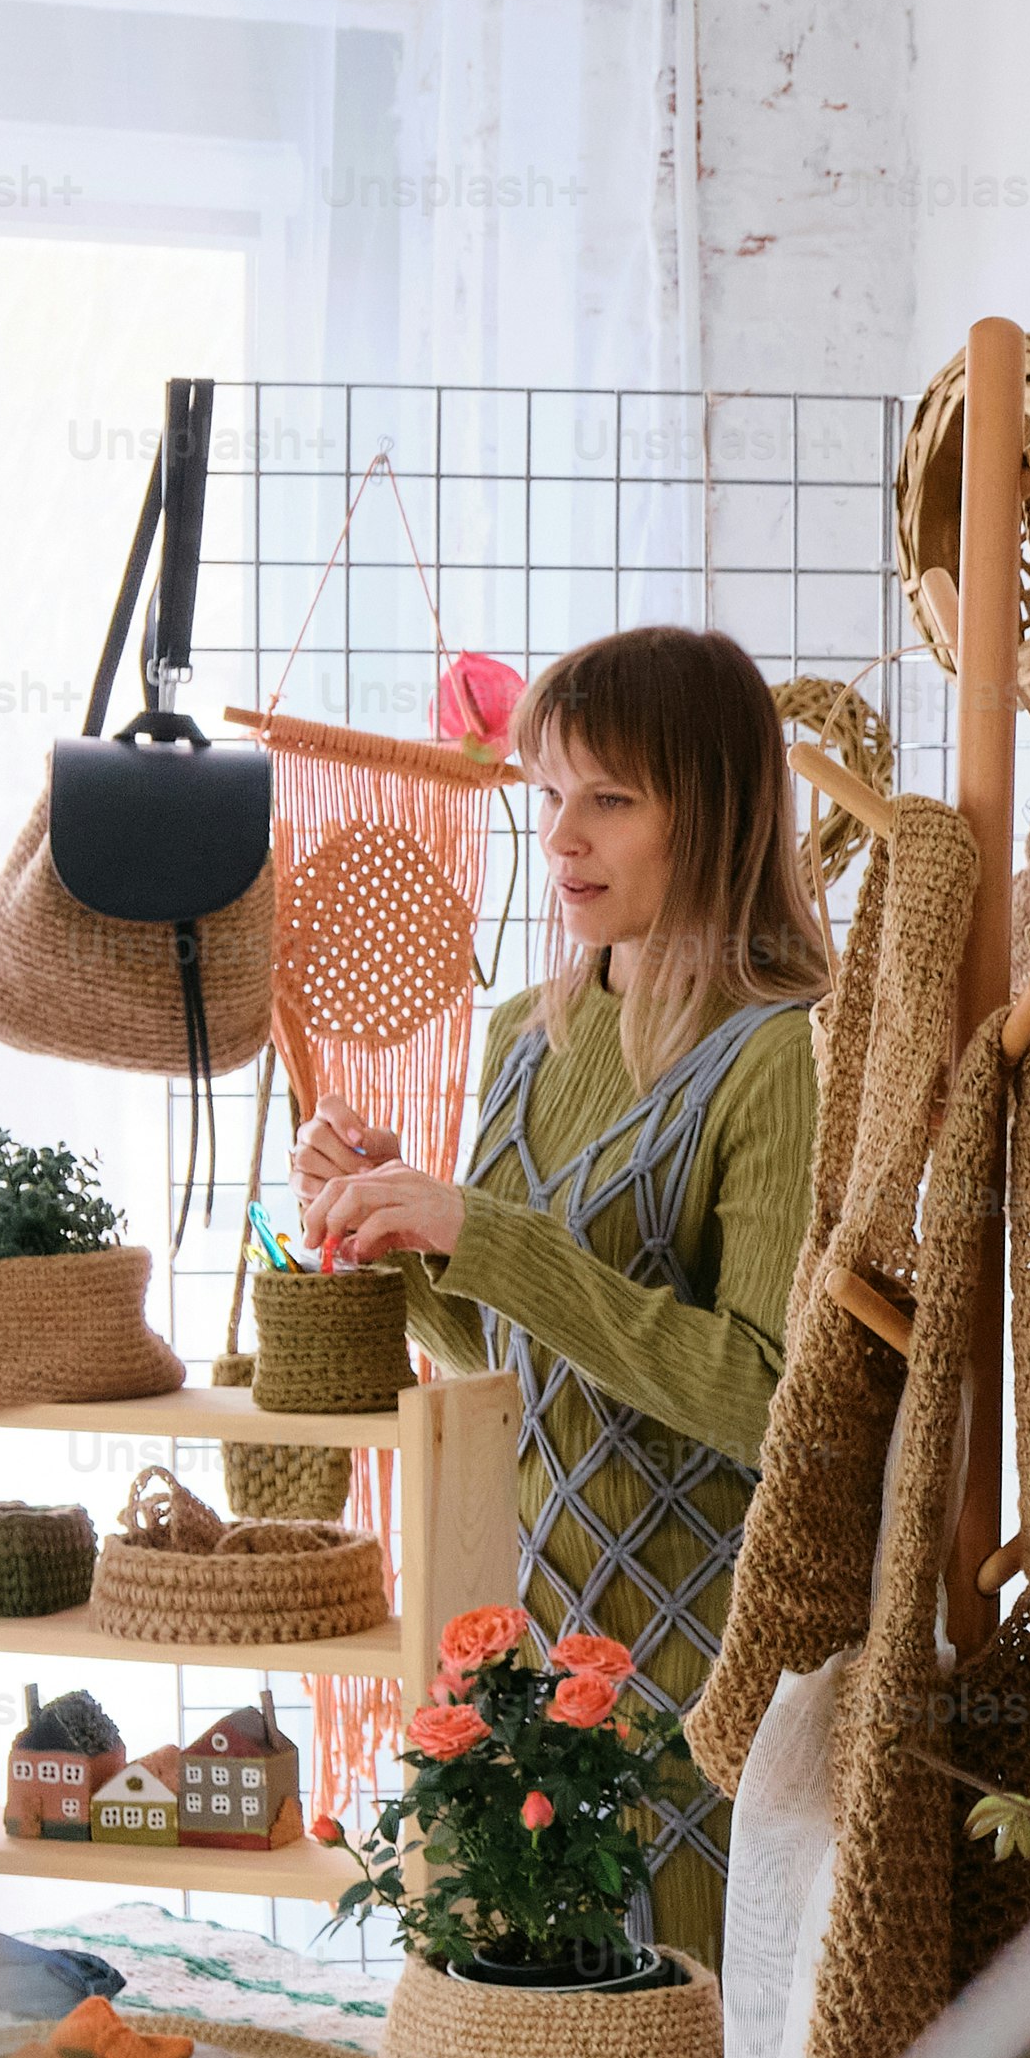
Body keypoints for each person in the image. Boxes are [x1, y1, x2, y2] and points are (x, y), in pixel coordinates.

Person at [303, 624, 829, 1973]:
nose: (562, 838)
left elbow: (772, 1401)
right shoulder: (525, 1033)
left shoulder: (781, 1052)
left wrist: (488, 1234)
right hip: (542, 1655)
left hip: (716, 1667)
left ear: (709, 813)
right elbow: (505, 1347)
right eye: (548, 794)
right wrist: (404, 1235)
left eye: (612, 798)